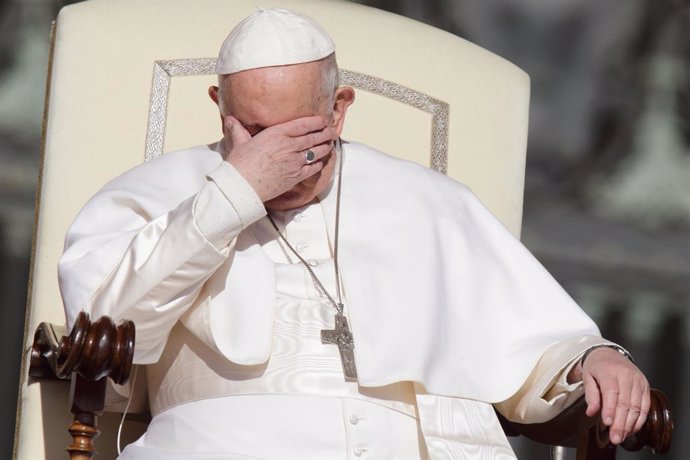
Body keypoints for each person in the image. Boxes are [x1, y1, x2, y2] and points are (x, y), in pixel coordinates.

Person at [58, 8, 650, 459]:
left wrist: (595, 357)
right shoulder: (158, 192)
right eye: (256, 132)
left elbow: (536, 339)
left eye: (300, 132)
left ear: (339, 108)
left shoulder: (428, 201)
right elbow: (103, 327)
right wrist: (231, 196)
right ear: (219, 106)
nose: (280, 157)